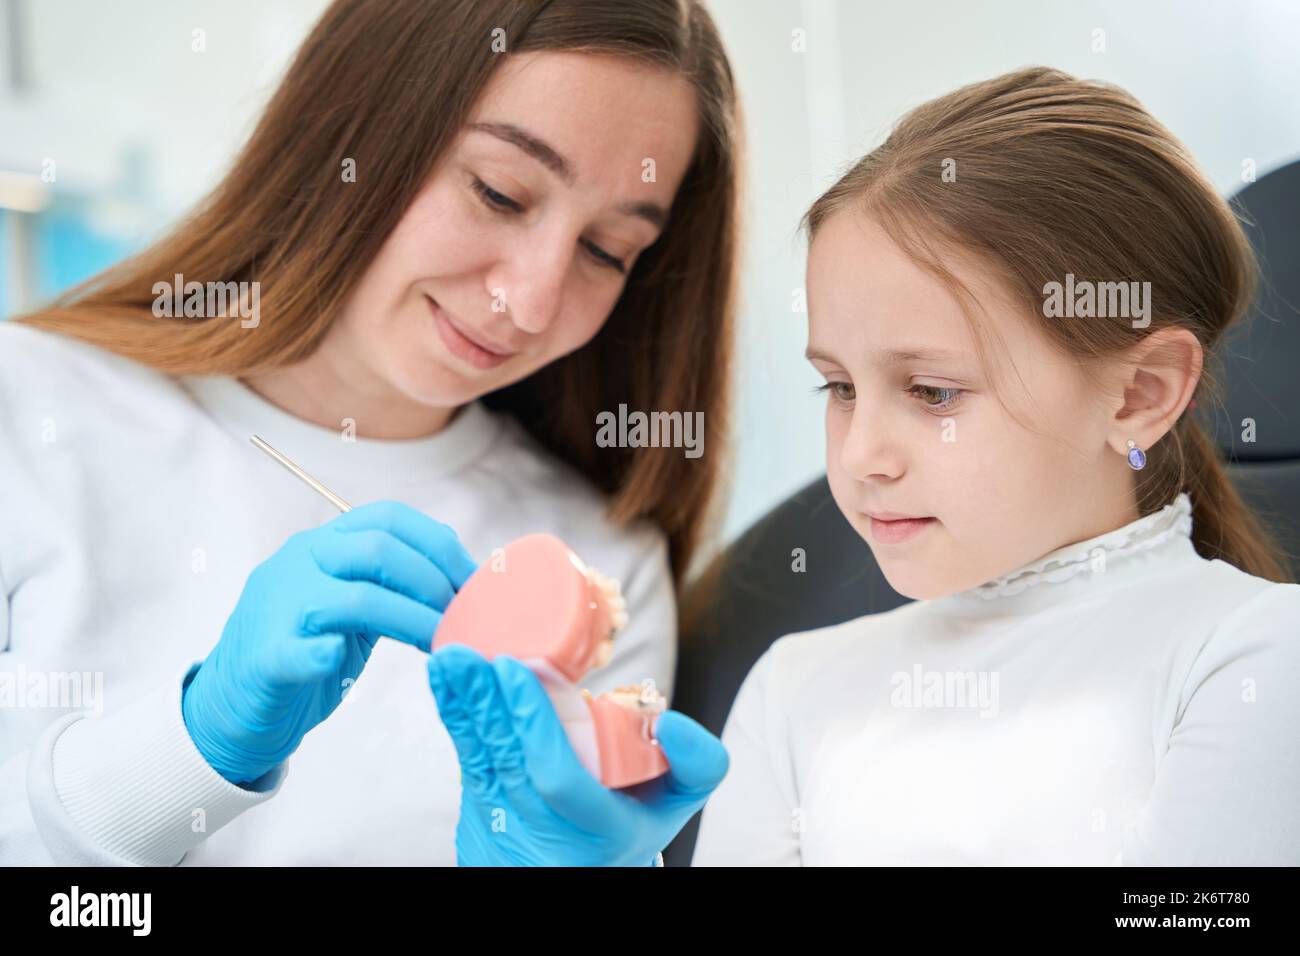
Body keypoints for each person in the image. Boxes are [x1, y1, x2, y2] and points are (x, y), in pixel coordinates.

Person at [428, 66, 1300, 866]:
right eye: (838, 387)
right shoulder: (796, 688)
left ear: (1139, 394)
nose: (860, 455)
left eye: (931, 392)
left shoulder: (1253, 654)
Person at [0, 0, 741, 865]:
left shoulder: (597, 557)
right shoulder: (30, 410)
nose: (532, 300)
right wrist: (192, 747)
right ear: (348, 132)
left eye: (608, 249)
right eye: (499, 192)